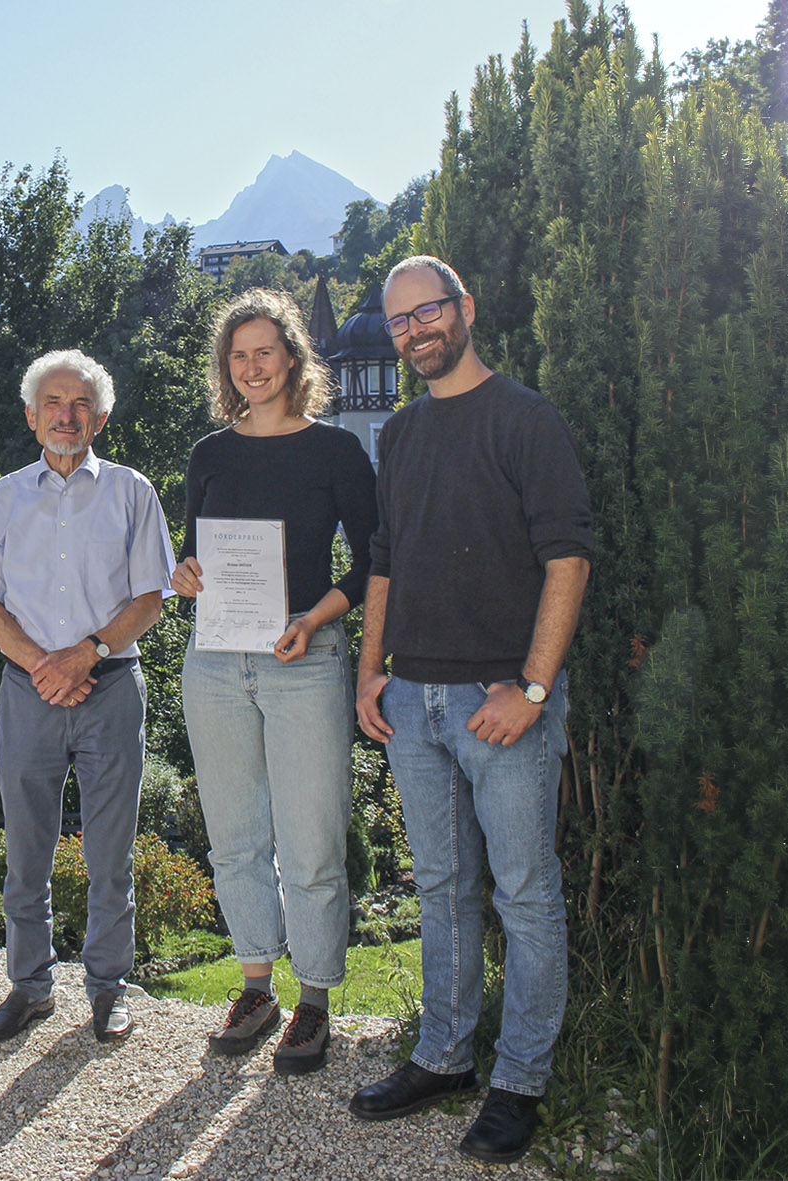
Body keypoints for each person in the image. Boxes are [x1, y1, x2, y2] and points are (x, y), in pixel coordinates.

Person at [347, 256, 593, 1163]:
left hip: (502, 705)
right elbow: (383, 556)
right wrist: (369, 673)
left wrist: (530, 688)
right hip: (412, 701)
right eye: (400, 321)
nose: (415, 331)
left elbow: (568, 558)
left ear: (466, 310)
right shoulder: (401, 434)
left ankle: (520, 1080)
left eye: (429, 312)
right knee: (444, 890)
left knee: (526, 895)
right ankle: (444, 1056)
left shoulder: (528, 420)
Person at [171, 288, 377, 1074]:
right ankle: (256, 986)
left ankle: (315, 1000)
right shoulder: (209, 454)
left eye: (266, 351)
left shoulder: (335, 453)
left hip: (303, 657)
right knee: (235, 838)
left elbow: (369, 560)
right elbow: (196, 557)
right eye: (238, 355)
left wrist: (317, 615)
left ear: (293, 357)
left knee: (313, 838)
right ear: (228, 368)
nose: (252, 367)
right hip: (216, 661)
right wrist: (184, 575)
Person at [0, 349, 175, 1045]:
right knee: (27, 850)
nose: (66, 414)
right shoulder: (3, 497)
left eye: (80, 403)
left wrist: (87, 653)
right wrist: (43, 666)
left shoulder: (132, 491)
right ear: (31, 416)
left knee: (110, 851)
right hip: (28, 693)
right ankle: (29, 986)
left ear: (101, 418)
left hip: (111, 688)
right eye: (53, 402)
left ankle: (109, 988)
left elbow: (151, 600)